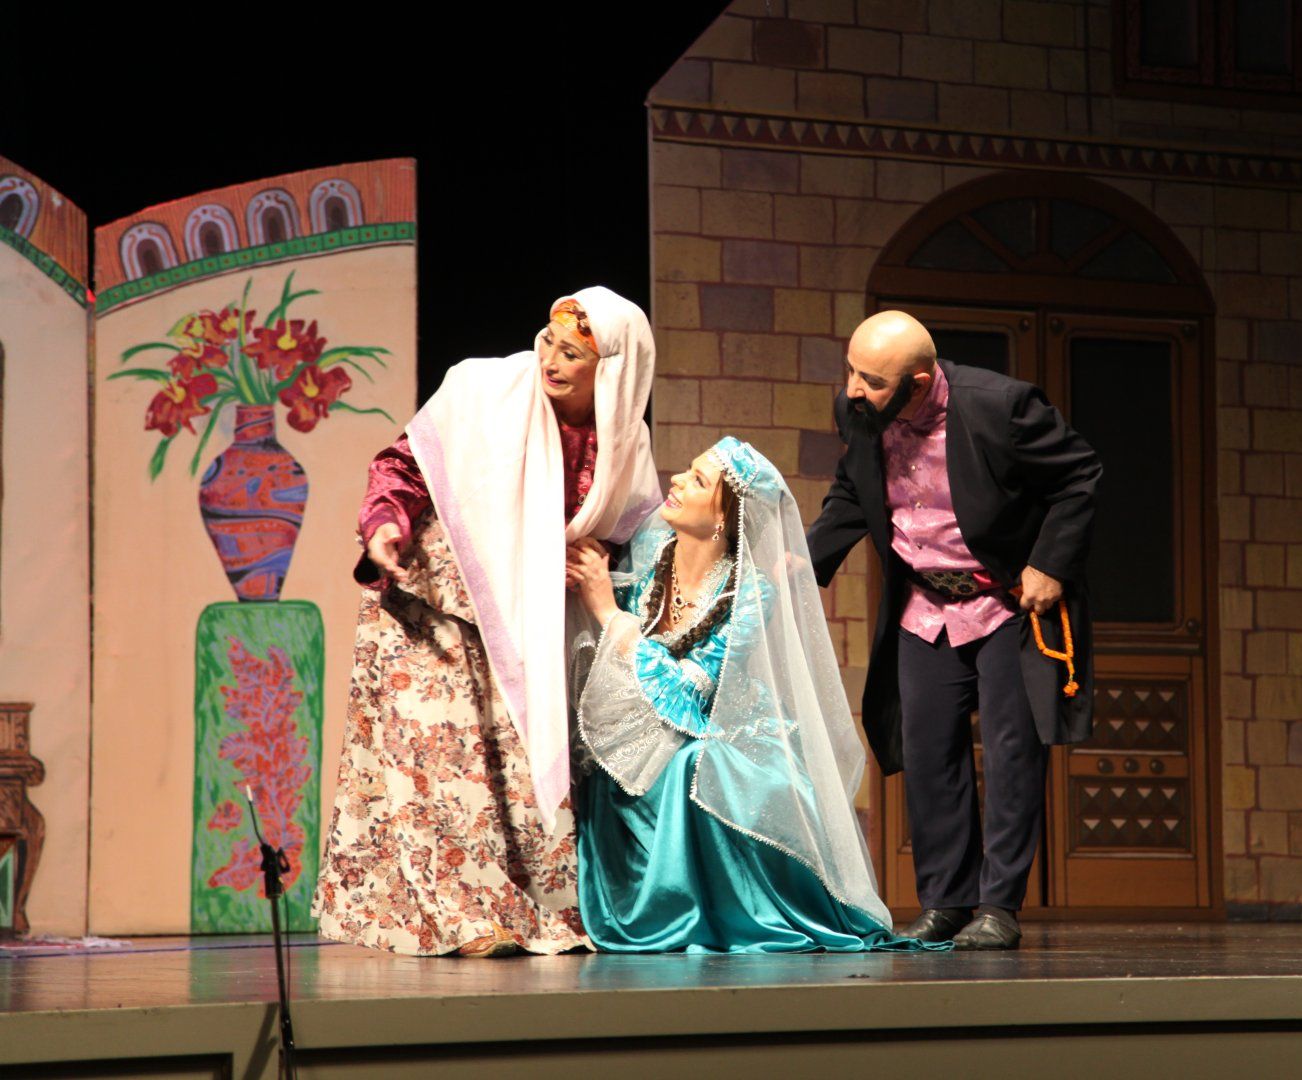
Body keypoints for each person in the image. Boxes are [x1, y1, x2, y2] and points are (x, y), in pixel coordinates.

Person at [314, 287, 661, 957]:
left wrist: (590, 561)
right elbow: (401, 465)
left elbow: (622, 532)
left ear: (613, 371)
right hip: (435, 597)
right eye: (549, 342)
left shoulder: (624, 443)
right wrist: (383, 521)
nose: (550, 360)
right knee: (437, 754)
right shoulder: (486, 388)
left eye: (572, 354)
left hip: (523, 618)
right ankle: (464, 915)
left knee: (511, 765)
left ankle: (517, 907)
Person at [565, 437, 943, 953]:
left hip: (720, 729)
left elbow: (686, 693)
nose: (677, 481)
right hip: (646, 725)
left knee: (692, 766)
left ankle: (703, 910)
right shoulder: (651, 558)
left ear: (724, 517)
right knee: (604, 762)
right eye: (688, 470)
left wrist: (610, 614)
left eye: (698, 480)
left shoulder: (749, 594)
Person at [805, 310, 1102, 951]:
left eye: (872, 380)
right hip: (925, 607)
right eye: (851, 372)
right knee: (929, 754)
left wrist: (1050, 563)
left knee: (1011, 753)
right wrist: (801, 569)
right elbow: (854, 490)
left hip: (1005, 605)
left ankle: (998, 906)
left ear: (917, 383)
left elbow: (1080, 474)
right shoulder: (860, 412)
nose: (854, 390)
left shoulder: (1000, 407)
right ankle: (945, 902)